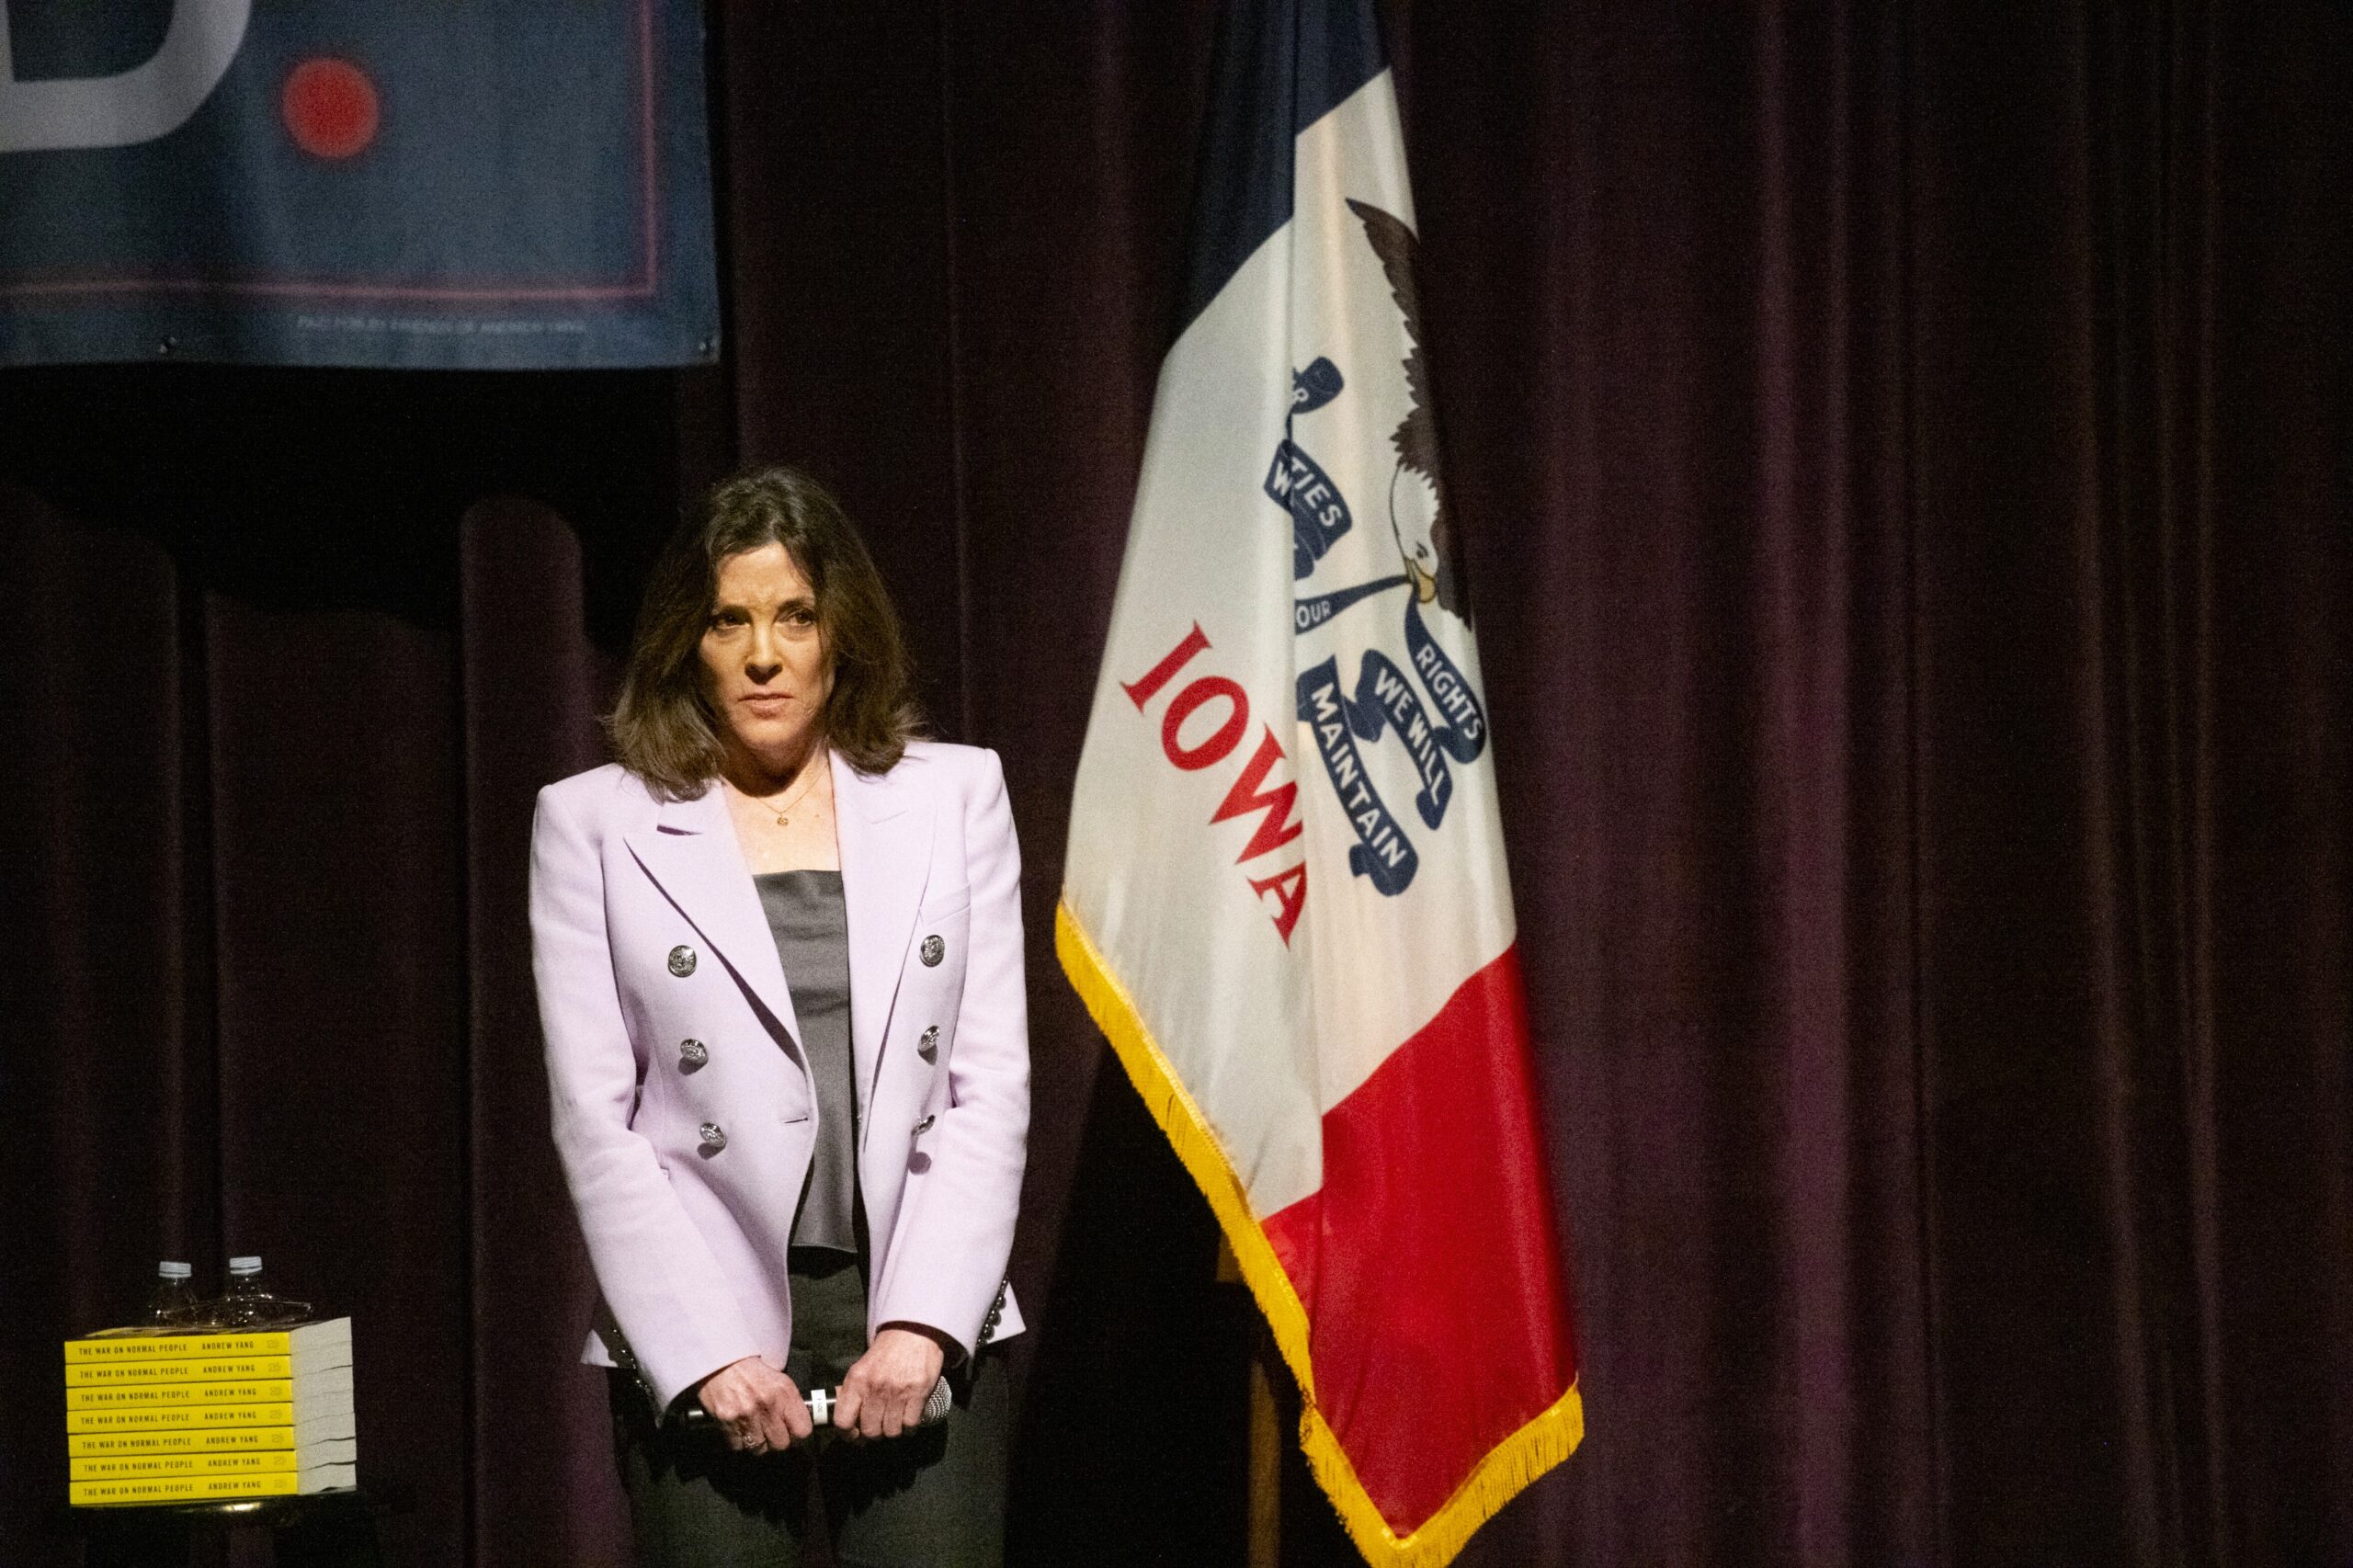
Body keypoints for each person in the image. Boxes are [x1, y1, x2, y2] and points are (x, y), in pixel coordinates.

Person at [529, 465, 1029, 1566]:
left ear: (838, 632)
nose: (764, 655)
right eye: (729, 621)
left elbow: (988, 1087)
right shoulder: (591, 824)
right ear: (686, 642)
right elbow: (594, 1118)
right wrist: (702, 1348)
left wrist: (926, 1323)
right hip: (704, 1306)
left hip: (912, 1290)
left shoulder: (956, 795)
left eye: (794, 617)